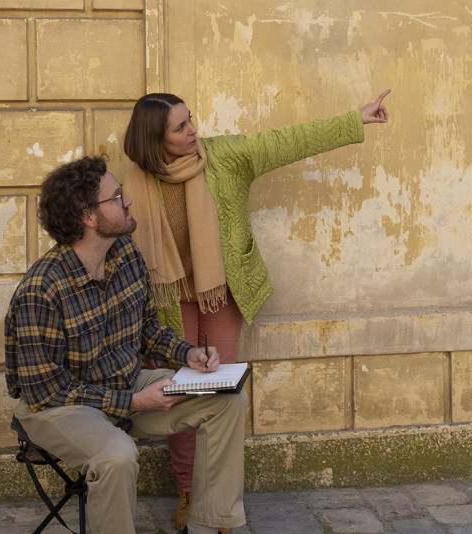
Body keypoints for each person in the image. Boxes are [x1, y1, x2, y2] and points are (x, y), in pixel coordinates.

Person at [121, 89, 390, 530]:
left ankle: (218, 502)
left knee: (219, 394)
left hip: (219, 292)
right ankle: (188, 490)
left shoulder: (223, 157)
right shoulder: (130, 186)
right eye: (181, 127)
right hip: (166, 301)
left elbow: (285, 140)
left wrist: (355, 119)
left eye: (192, 121)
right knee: (181, 394)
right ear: (155, 140)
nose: (193, 132)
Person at [4, 155, 248, 534]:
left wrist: (189, 354)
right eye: (117, 196)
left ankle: (208, 526)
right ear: (88, 215)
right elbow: (46, 390)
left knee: (226, 398)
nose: (129, 200)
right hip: (59, 408)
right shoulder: (42, 290)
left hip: (125, 384)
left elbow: (147, 327)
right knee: (117, 455)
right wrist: (135, 403)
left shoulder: (125, 254)